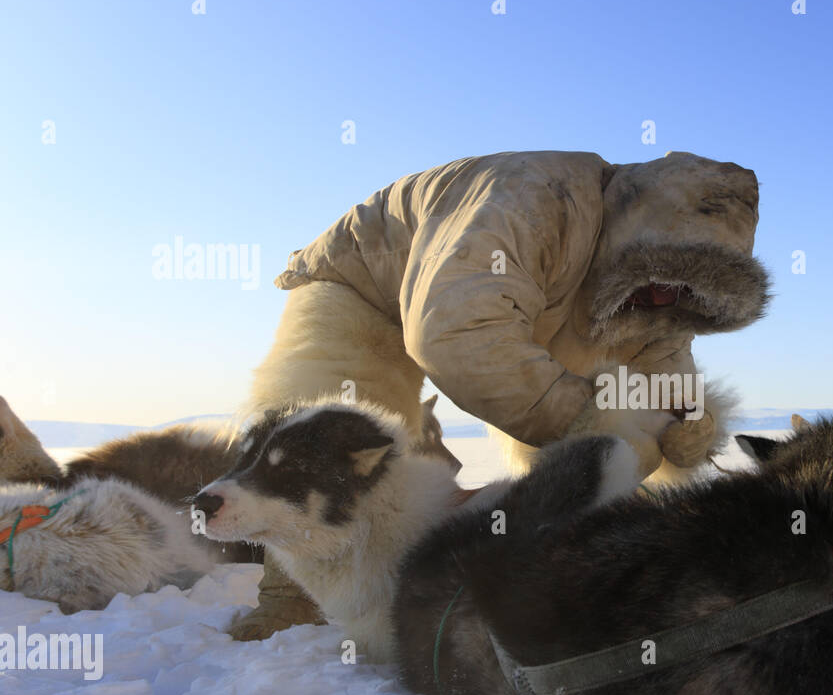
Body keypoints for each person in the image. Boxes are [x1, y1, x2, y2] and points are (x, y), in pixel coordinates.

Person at [234, 149, 770, 640]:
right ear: (637, 234)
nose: (664, 296)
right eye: (661, 273)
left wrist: (685, 426)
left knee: (583, 436)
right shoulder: (529, 198)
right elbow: (457, 333)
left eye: (688, 289)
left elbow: (659, 368)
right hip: (366, 287)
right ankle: (287, 601)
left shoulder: (657, 295)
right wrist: (588, 422)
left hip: (531, 303)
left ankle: (507, 568)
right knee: (324, 436)